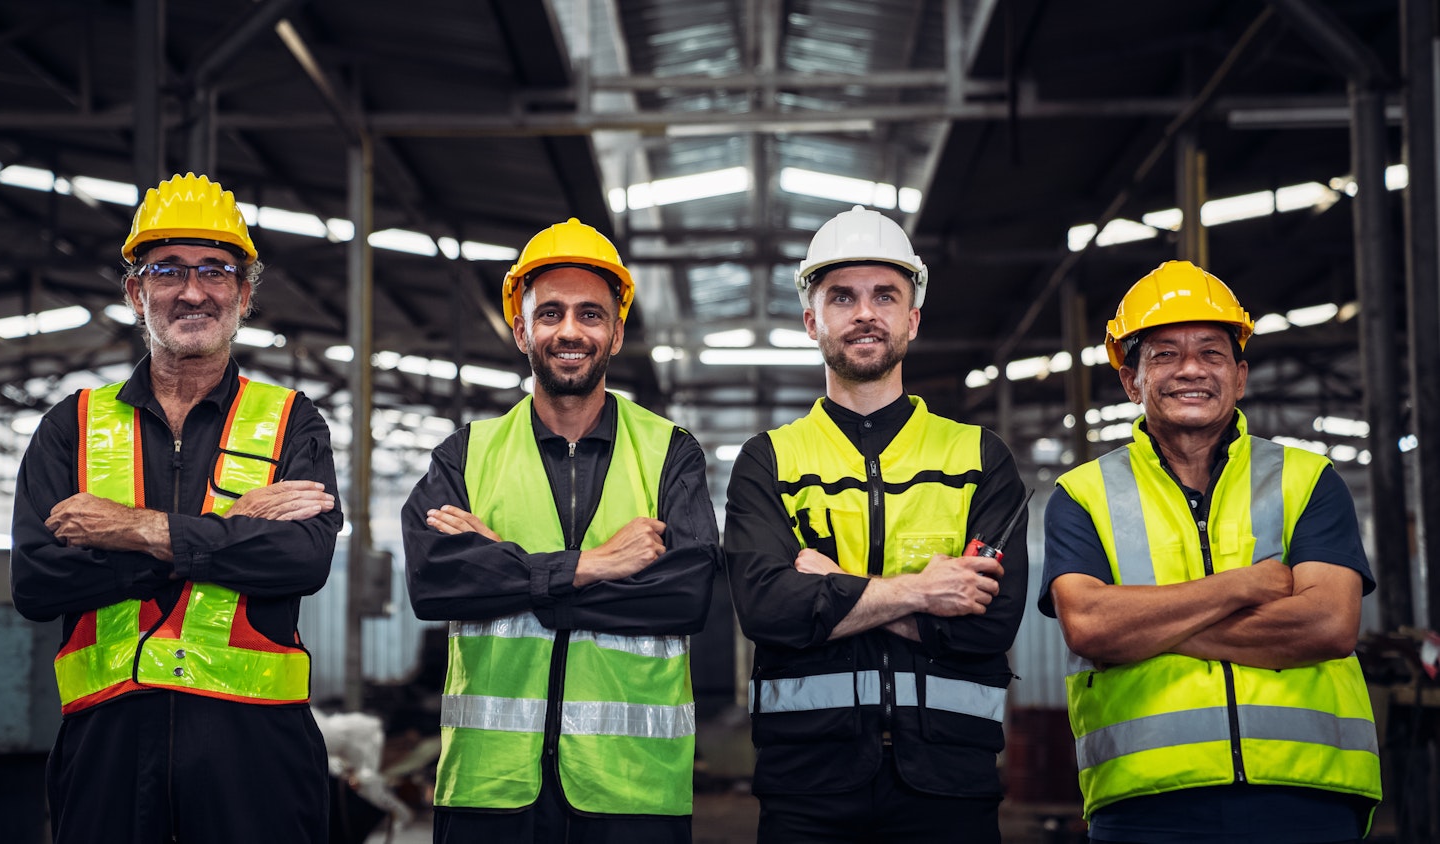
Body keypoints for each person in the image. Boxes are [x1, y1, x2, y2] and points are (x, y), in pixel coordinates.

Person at [10, 172, 341, 844]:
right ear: (137, 293)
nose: (193, 291)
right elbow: (38, 581)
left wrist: (135, 529)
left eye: (215, 270)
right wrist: (226, 536)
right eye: (168, 270)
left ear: (244, 295)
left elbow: (301, 561)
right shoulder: (72, 425)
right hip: (105, 743)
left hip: (256, 751)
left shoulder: (291, 421)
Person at [1039, 260, 1382, 843]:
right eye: (1164, 354)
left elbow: (1329, 624)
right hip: (1145, 804)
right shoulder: (1082, 495)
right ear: (1131, 382)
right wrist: (1241, 586)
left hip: (1307, 793)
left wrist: (1143, 625)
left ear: (1239, 376)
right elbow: (1091, 628)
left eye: (1211, 353)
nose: (1191, 369)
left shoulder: (1308, 478)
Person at [402, 217, 720, 843]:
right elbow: (433, 581)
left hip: (632, 790)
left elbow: (685, 594)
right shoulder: (466, 454)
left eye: (590, 314)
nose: (569, 331)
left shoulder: (669, 452)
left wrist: (507, 570)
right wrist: (592, 565)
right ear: (521, 330)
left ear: (616, 333)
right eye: (549, 313)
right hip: (489, 790)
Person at [724, 205, 1031, 843]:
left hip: (950, 780)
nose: (865, 312)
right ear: (812, 321)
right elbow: (768, 611)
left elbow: (990, 625)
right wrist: (922, 591)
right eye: (843, 296)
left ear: (912, 318)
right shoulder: (770, 459)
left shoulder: (978, 457)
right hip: (807, 781)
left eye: (884, 295)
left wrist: (832, 584)